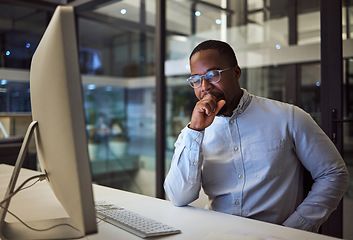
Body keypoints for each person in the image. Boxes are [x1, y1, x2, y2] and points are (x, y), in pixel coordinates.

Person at [164, 40, 349, 232]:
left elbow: (333, 174)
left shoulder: (288, 117)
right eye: (196, 79)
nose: (204, 86)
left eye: (213, 75)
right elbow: (178, 197)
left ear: (236, 72)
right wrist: (195, 131)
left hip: (275, 235)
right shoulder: (194, 131)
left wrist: (293, 229)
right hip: (217, 233)